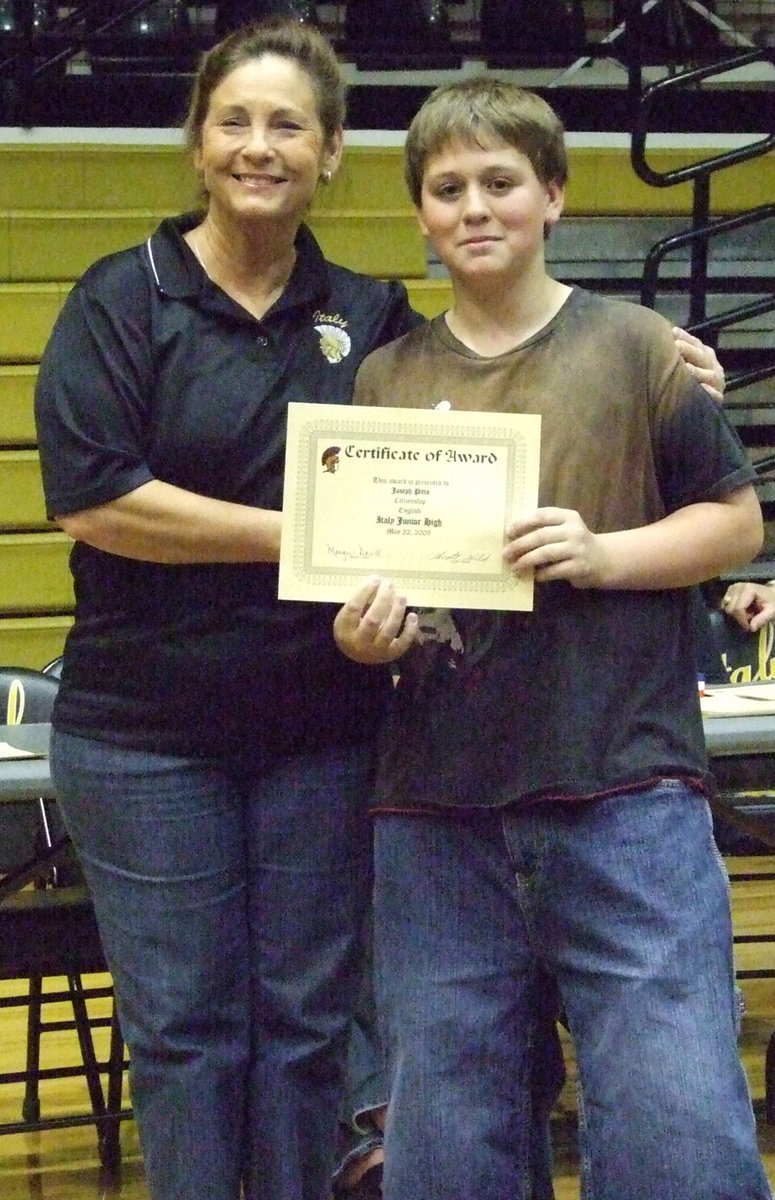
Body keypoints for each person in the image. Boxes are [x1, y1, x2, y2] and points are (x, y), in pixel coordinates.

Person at [333, 77, 770, 1200]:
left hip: (621, 788)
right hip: (434, 806)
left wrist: (602, 552)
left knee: (673, 1116)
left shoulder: (637, 350)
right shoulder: (381, 379)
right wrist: (363, 636)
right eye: (447, 189)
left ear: (553, 196)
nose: (474, 207)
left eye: (500, 182)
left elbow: (734, 521)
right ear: (420, 214)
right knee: (449, 1131)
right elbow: (357, 574)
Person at [32, 18, 422, 1200]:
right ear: (197, 144)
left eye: (287, 125)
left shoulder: (374, 311)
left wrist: (658, 351)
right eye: (235, 122)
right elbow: (100, 503)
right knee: (190, 1036)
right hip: (143, 739)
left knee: (308, 1030)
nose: (260, 146)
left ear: (332, 151)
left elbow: (452, 454)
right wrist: (306, 540)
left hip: (322, 730)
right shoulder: (119, 298)